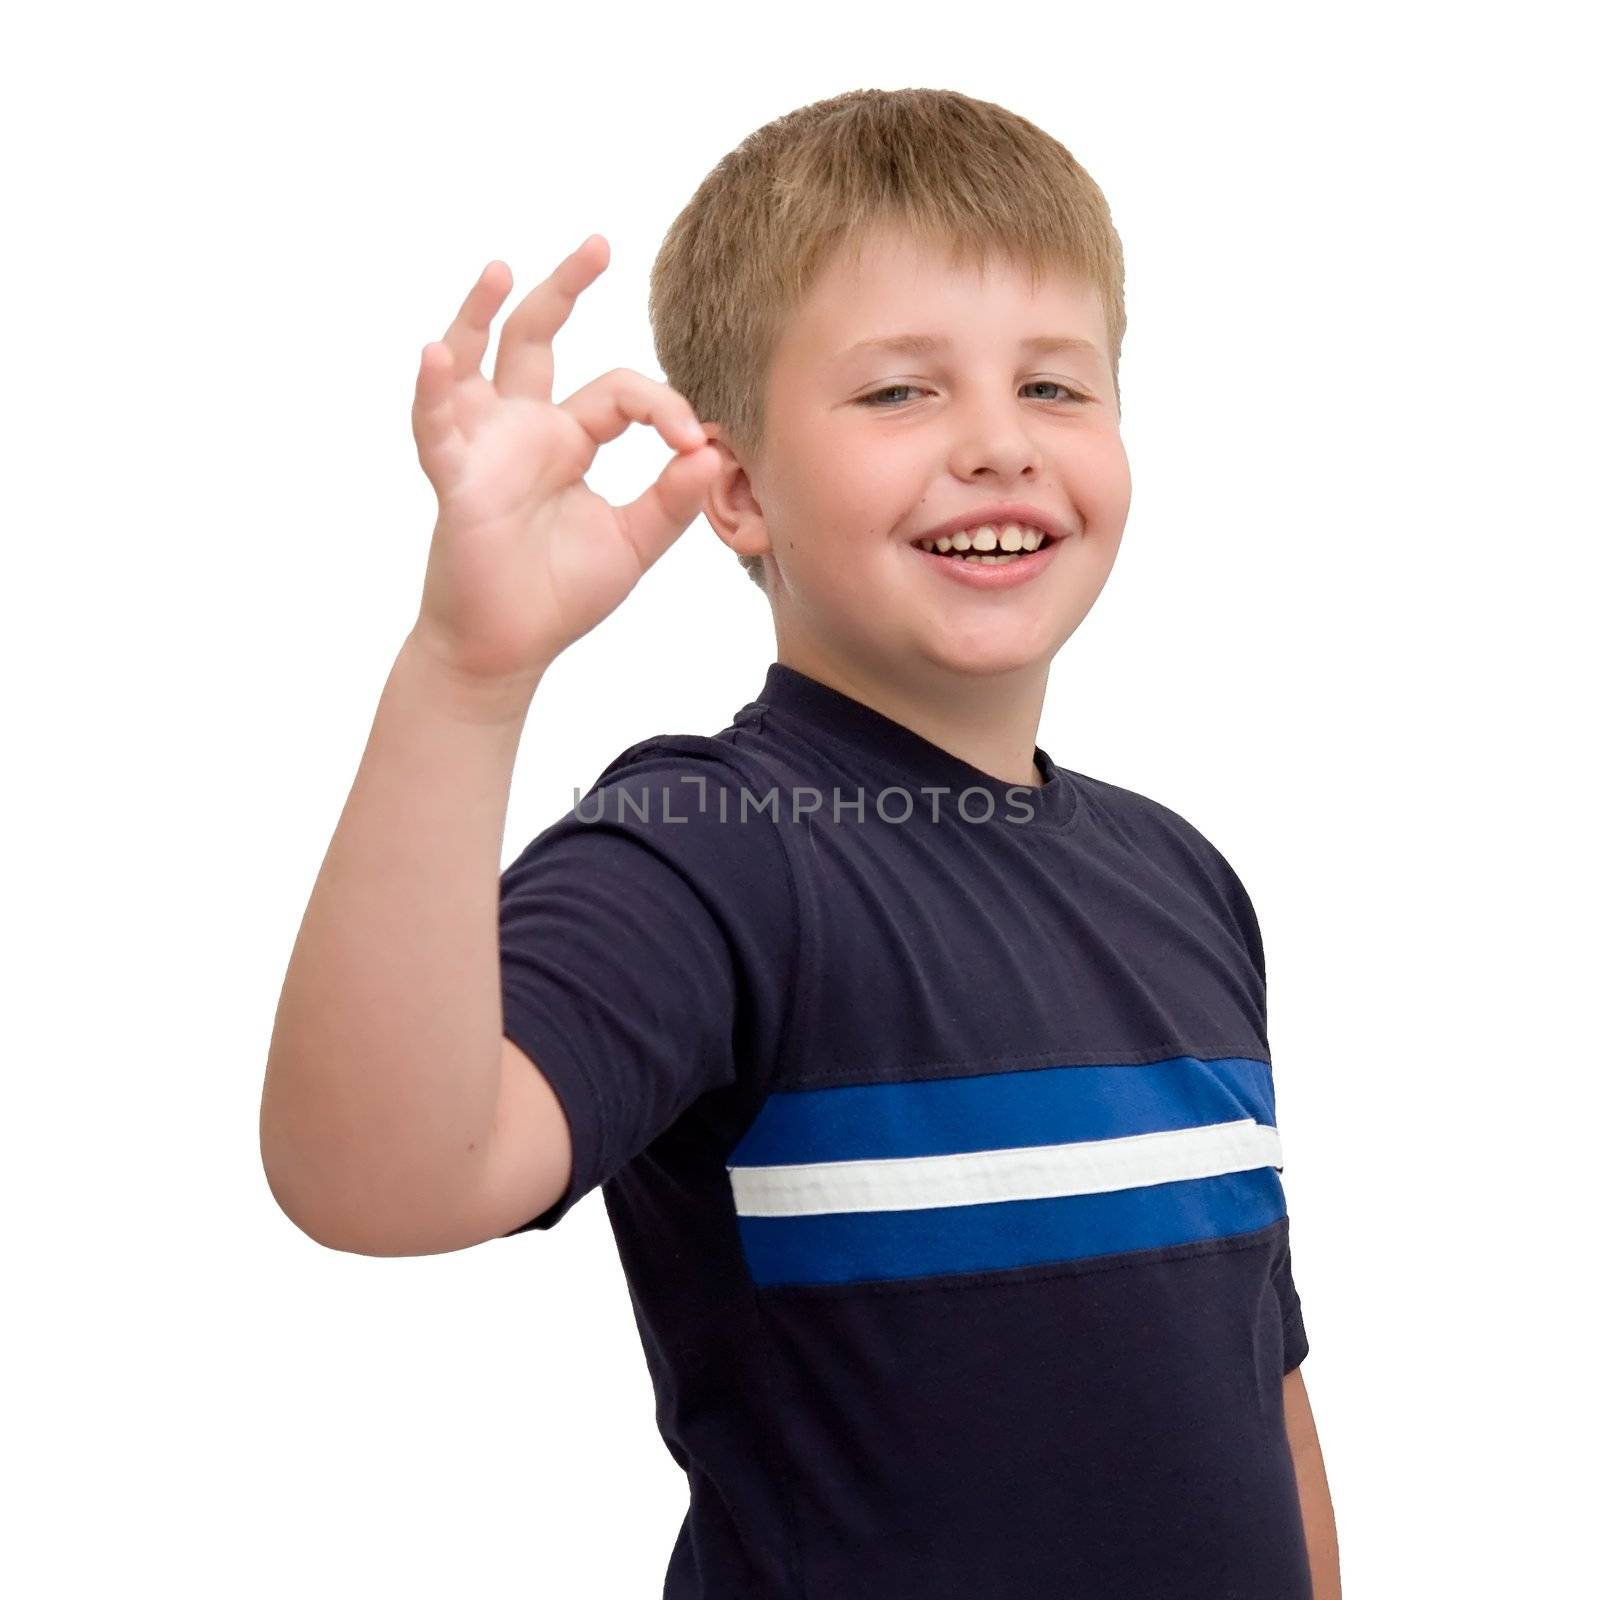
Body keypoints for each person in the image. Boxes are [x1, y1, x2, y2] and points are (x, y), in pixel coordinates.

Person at [261, 87, 1339, 1600]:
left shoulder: (1181, 878)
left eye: (1054, 386)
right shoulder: (718, 849)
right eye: (900, 394)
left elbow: (1261, 1390)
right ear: (742, 488)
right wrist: (468, 677)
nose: (995, 447)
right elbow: (380, 1178)